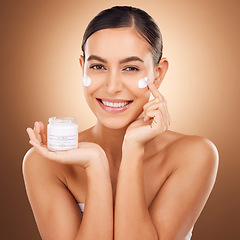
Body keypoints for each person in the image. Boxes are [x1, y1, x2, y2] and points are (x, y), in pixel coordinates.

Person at [23, 6, 219, 240]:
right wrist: (94, 164)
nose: (113, 85)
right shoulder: (45, 162)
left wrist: (133, 148)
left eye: (130, 68)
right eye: (98, 66)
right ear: (82, 67)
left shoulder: (194, 155)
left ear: (158, 73)